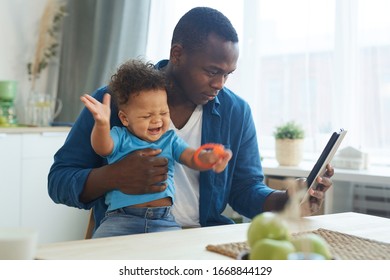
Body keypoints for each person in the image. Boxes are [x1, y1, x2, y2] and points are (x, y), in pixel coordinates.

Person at [48, 7, 335, 235]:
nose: (219, 84)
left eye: (228, 74)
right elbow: (59, 180)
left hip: (203, 242)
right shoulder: (113, 101)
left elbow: (245, 189)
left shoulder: (236, 112)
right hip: (127, 236)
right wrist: (114, 176)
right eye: (212, 71)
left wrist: (287, 199)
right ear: (177, 54)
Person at [80, 59, 231, 237]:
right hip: (120, 220)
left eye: (164, 113)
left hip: (164, 221)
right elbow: (102, 148)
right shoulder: (120, 136)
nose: (157, 120)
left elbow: (191, 157)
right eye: (147, 115)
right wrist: (102, 124)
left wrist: (207, 159)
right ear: (125, 118)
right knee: (96, 254)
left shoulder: (170, 139)